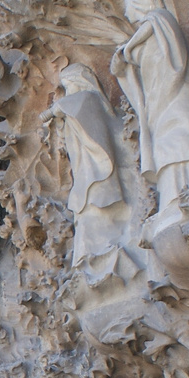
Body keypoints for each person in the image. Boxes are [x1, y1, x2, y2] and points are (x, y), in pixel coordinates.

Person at [110, 0, 189, 212]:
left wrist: (126, 50)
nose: (125, 12)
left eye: (128, 4)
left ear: (140, 1)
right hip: (158, 102)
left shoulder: (160, 19)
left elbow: (152, 32)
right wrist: (123, 65)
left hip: (176, 96)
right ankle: (173, 200)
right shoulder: (149, 31)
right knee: (166, 149)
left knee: (181, 141)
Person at [46, 63, 132, 268]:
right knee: (87, 215)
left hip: (98, 172)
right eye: (65, 88)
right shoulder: (79, 104)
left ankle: (108, 257)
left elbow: (75, 104)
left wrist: (57, 109)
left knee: (97, 208)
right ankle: (90, 259)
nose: (68, 92)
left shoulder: (90, 100)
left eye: (70, 86)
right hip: (84, 172)